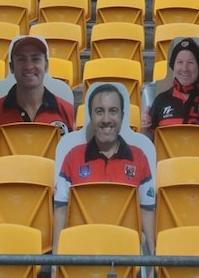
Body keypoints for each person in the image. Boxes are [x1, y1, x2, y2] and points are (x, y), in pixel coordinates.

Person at [54, 83, 156, 256]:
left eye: (113, 111)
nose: (106, 119)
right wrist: (55, 259)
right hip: (81, 255)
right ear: (91, 116)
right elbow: (61, 210)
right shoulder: (72, 157)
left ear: (122, 116)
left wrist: (154, 262)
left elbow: (147, 211)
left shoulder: (139, 158)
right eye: (100, 111)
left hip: (127, 256)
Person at [0, 36, 74, 159]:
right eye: (21, 59)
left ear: (46, 65)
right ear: (12, 67)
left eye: (35, 59)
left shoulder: (67, 111)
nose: (28, 66)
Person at [141, 37, 199, 146]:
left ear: (198, 67)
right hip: (166, 163)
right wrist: (144, 129)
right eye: (179, 62)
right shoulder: (161, 100)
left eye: (191, 62)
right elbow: (149, 140)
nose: (185, 68)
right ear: (173, 67)